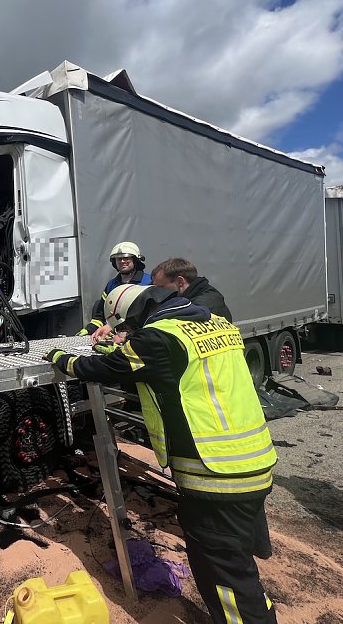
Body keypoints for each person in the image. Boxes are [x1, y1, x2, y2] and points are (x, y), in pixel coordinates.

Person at [45, 284, 278, 624]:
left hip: (215, 475)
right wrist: (117, 346)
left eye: (128, 325)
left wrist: (59, 357)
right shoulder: (215, 324)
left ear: (136, 315)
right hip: (253, 460)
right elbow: (152, 359)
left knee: (226, 578)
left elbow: (101, 369)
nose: (129, 331)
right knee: (238, 563)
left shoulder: (157, 338)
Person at [79, 241, 151, 340]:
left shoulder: (149, 282)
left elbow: (149, 315)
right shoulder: (111, 285)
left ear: (135, 260)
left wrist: (114, 327)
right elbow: (100, 315)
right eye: (118, 259)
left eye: (126, 258)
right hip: (112, 336)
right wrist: (89, 329)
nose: (122, 261)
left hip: (140, 336)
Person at [151, 257, 233, 321]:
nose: (158, 293)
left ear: (180, 282)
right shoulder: (202, 295)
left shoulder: (199, 308)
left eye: (161, 287)